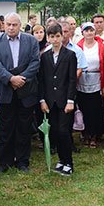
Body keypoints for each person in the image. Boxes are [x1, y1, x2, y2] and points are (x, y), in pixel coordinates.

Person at [0, 13, 41, 172]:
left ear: (20, 25)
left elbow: (35, 62)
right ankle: (4, 162)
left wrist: (22, 79)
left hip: (25, 91)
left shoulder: (31, 40)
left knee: (24, 127)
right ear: (3, 25)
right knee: (6, 127)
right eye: (8, 24)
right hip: (6, 91)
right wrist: (11, 78)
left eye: (14, 25)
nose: (11, 28)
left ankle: (22, 161)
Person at [39, 23, 78, 176]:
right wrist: (42, 100)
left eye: (57, 36)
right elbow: (42, 80)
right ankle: (61, 160)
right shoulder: (45, 57)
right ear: (47, 38)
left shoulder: (70, 55)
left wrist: (70, 100)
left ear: (62, 36)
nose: (55, 40)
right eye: (51, 37)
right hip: (50, 101)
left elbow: (72, 80)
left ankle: (69, 162)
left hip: (64, 101)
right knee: (54, 131)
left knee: (64, 131)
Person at [76, 22, 104, 148]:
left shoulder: (101, 46)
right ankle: (85, 133)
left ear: (95, 32)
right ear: (82, 32)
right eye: (86, 30)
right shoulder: (78, 46)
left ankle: (95, 135)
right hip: (82, 79)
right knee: (83, 108)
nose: (89, 33)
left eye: (91, 30)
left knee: (95, 109)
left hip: (96, 79)